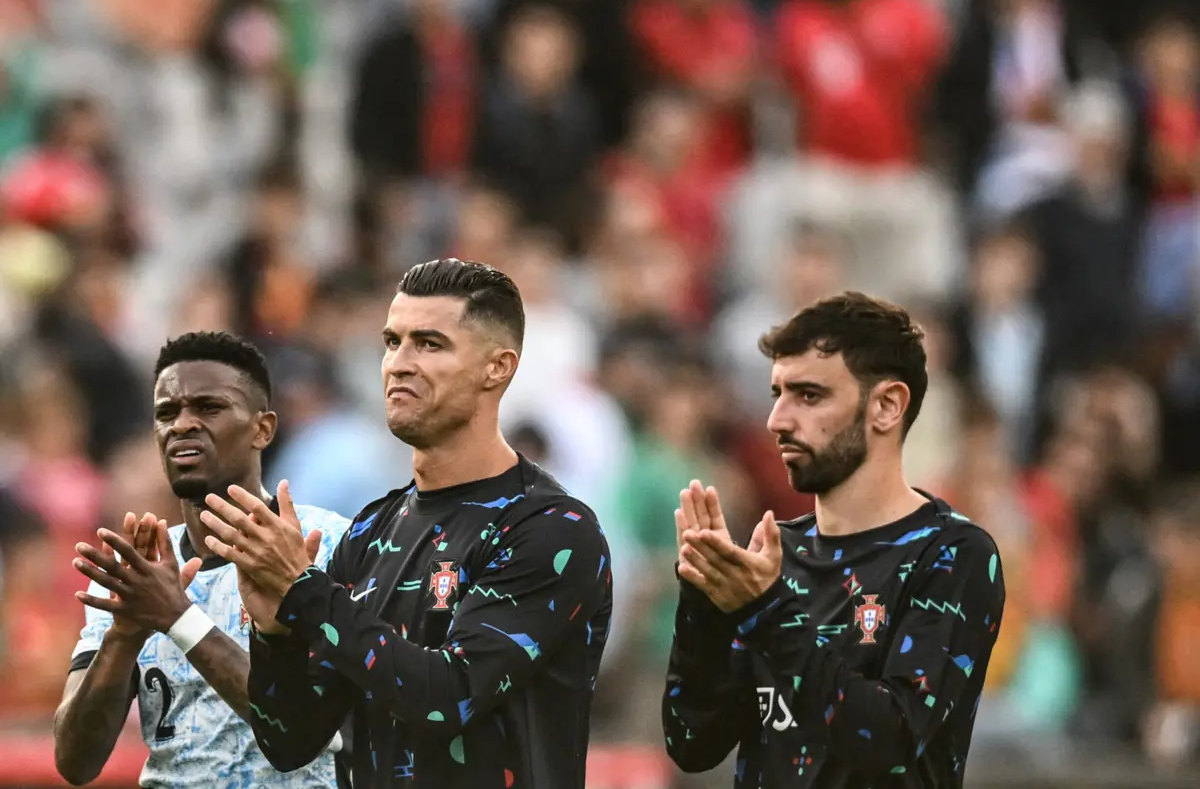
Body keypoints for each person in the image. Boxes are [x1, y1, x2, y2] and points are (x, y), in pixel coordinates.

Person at [201, 259, 613, 787]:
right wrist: (276, 633)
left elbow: (448, 698)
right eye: (392, 342)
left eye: (429, 344)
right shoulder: (371, 530)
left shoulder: (551, 527)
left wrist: (304, 593)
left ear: (498, 367)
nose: (399, 363)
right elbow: (291, 742)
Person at [663, 292, 1007, 787]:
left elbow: (889, 742)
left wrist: (763, 612)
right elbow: (693, 745)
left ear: (887, 406)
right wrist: (704, 606)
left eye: (809, 395)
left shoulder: (951, 554)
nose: (777, 420)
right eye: (777, 394)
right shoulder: (772, 558)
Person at [54, 331, 350, 787]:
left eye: (208, 408)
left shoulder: (329, 544)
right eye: (166, 413)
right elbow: (75, 762)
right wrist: (124, 634)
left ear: (262, 428)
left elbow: (315, 731)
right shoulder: (137, 568)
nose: (182, 425)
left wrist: (177, 617)